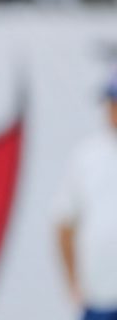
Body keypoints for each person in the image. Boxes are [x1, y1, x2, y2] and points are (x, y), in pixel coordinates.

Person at [55, 74, 117, 320]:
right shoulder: (86, 156)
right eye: (111, 103)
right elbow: (64, 225)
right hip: (99, 296)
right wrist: (74, 285)